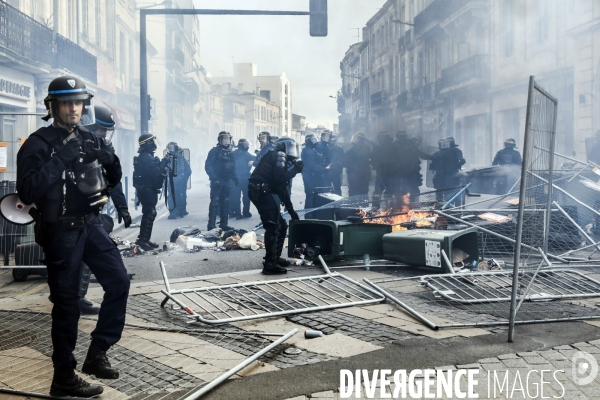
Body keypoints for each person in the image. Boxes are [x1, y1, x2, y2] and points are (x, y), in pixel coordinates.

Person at [17, 76, 130, 397]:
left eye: (77, 103)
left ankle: (98, 352)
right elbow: (27, 190)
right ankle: (63, 375)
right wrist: (62, 158)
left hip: (91, 224)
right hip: (60, 231)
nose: (73, 109)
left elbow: (110, 177)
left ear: (84, 105)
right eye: (66, 103)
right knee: (67, 305)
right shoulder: (37, 143)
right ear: (52, 107)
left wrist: (111, 160)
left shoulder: (88, 136)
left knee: (119, 282)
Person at [74, 104, 131, 315]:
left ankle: (77, 296)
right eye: (101, 129)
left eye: (107, 130)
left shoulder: (104, 147)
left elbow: (114, 180)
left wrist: (122, 207)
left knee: (89, 255)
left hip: (92, 212)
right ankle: (69, 297)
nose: (104, 134)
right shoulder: (68, 145)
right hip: (68, 213)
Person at [248, 138, 303, 274]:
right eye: (290, 147)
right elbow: (281, 179)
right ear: (283, 147)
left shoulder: (279, 157)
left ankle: (275, 258)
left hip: (261, 191)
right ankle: (269, 265)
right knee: (273, 226)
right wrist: (295, 169)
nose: (292, 150)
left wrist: (291, 211)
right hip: (261, 192)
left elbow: (281, 188)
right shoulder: (279, 155)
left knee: (281, 225)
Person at [133, 134, 170, 250]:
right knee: (150, 214)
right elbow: (155, 172)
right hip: (147, 191)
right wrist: (164, 162)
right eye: (152, 141)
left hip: (148, 190)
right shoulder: (146, 157)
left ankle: (144, 239)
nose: (154, 144)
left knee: (149, 214)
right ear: (148, 144)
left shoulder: (146, 156)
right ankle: (143, 240)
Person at [205, 131, 239, 230]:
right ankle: (211, 225)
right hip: (217, 180)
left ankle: (224, 224)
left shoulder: (230, 153)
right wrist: (214, 178)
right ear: (220, 140)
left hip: (226, 180)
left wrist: (235, 179)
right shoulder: (214, 151)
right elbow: (208, 166)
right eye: (223, 139)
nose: (225, 141)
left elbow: (232, 168)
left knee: (225, 202)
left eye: (227, 139)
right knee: (215, 202)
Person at [229, 138, 256, 219]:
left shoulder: (232, 154)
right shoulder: (248, 155)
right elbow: (257, 161)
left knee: (235, 196)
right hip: (245, 177)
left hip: (234, 178)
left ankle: (237, 213)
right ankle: (246, 212)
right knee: (246, 195)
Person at [301, 133, 329, 209]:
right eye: (313, 139)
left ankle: (309, 214)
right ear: (309, 141)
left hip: (308, 175)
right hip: (310, 176)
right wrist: (324, 168)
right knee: (311, 195)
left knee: (310, 195)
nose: (315, 141)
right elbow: (312, 166)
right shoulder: (309, 152)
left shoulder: (307, 150)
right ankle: (309, 215)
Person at [165, 142, 192, 219]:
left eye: (172, 148)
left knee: (178, 195)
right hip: (172, 180)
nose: (171, 150)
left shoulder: (180, 158)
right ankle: (175, 212)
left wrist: (184, 178)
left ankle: (180, 211)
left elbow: (188, 171)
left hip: (179, 180)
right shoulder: (167, 158)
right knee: (173, 196)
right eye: (169, 148)